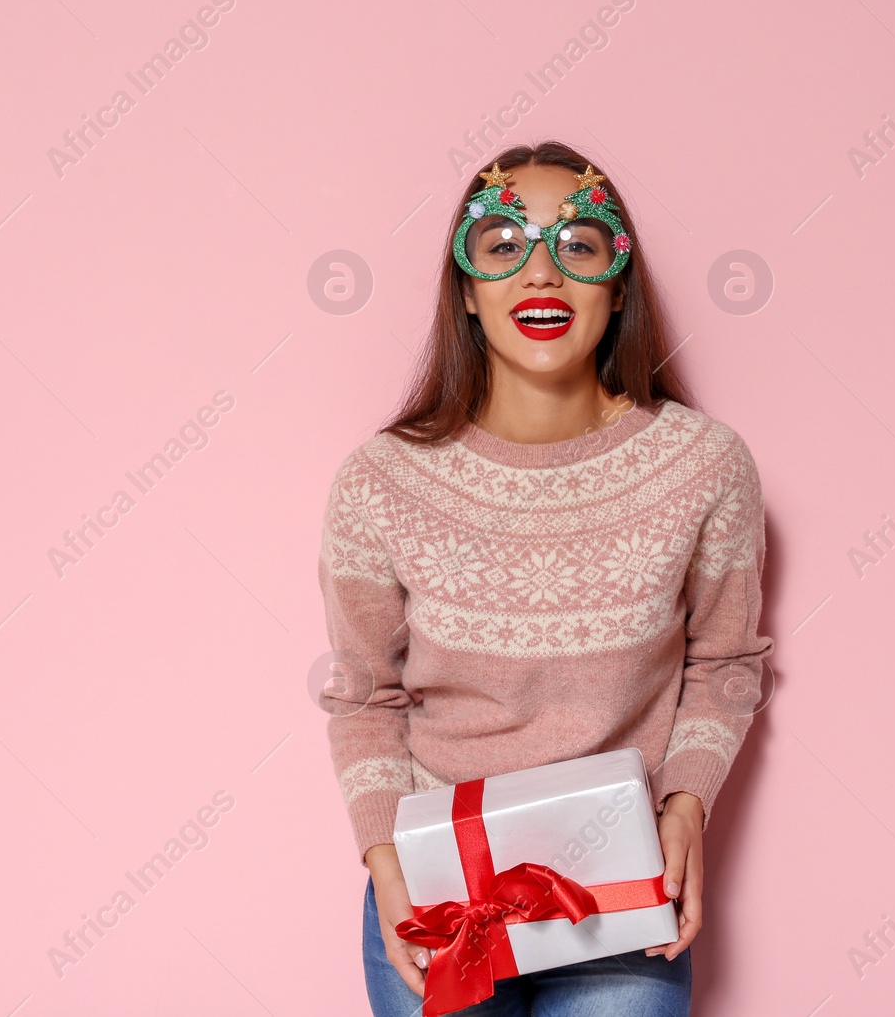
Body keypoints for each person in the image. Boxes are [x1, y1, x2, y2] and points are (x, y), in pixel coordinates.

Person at [317, 139, 773, 1015]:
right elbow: (364, 698)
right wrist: (383, 864)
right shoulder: (381, 483)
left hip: (622, 891)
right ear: (467, 290)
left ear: (617, 282)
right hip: (442, 894)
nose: (540, 274)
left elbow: (724, 667)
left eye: (578, 245)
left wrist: (685, 809)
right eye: (502, 244)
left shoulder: (703, 465)